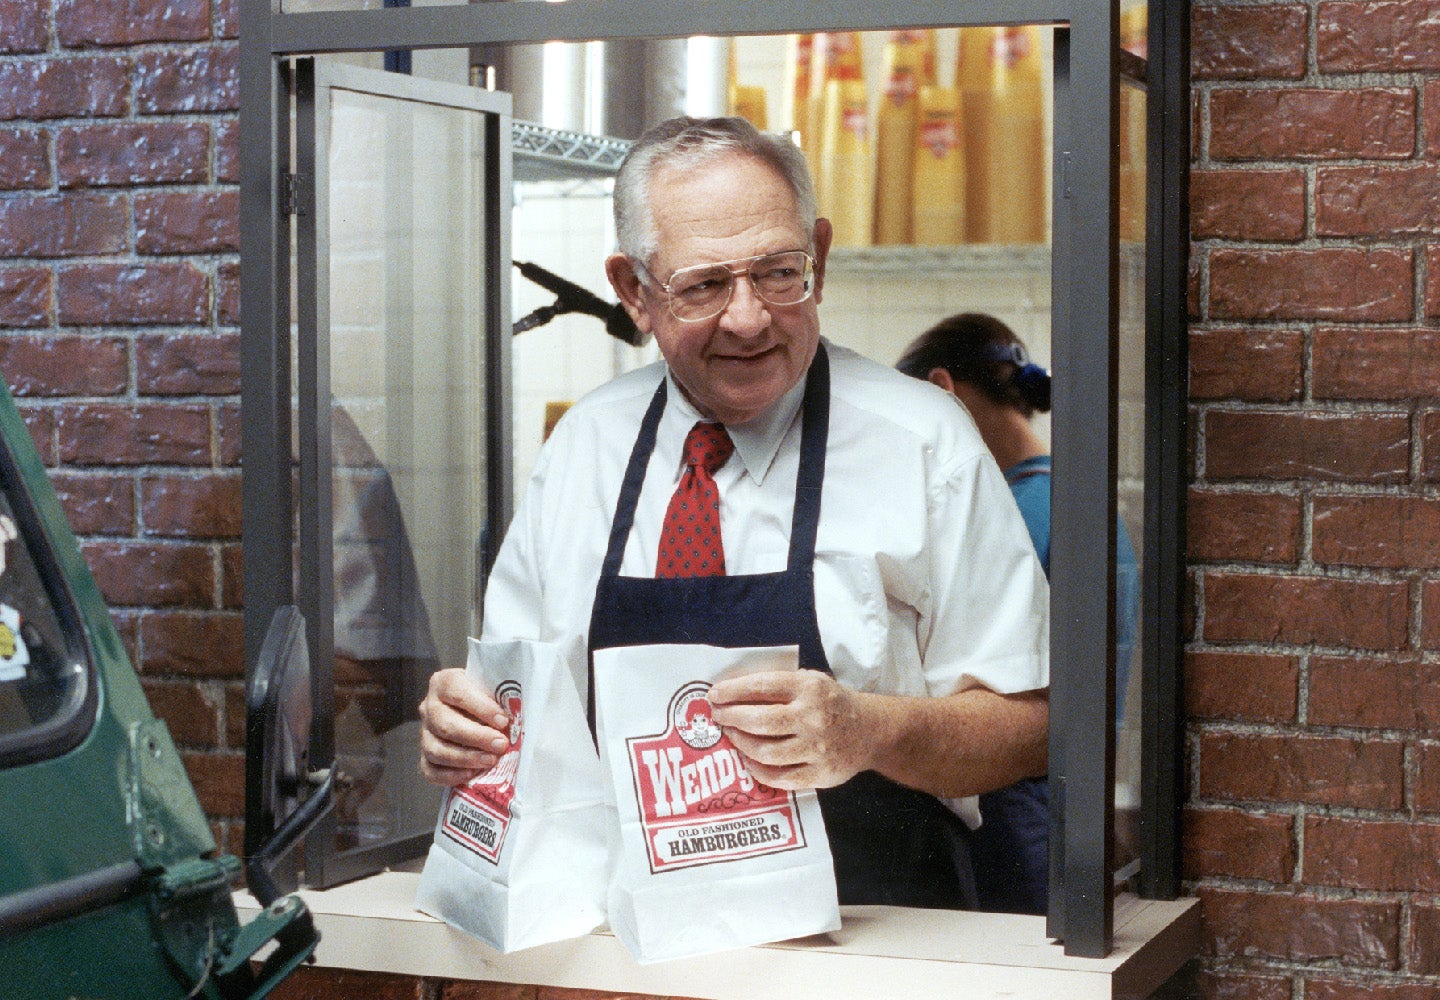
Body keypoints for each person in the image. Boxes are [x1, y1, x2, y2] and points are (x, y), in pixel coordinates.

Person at [418, 116, 1050, 909]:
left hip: (876, 944)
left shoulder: (922, 441)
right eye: (705, 285)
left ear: (818, 255)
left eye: (780, 273)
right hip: (622, 949)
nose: (749, 318)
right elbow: (510, 711)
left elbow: (1032, 725)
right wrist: (467, 729)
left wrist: (869, 731)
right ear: (634, 291)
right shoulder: (584, 447)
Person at [895, 313, 1140, 914]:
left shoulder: (1013, 518)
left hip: (1016, 804)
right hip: (1066, 801)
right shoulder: (1075, 499)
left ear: (940, 392)